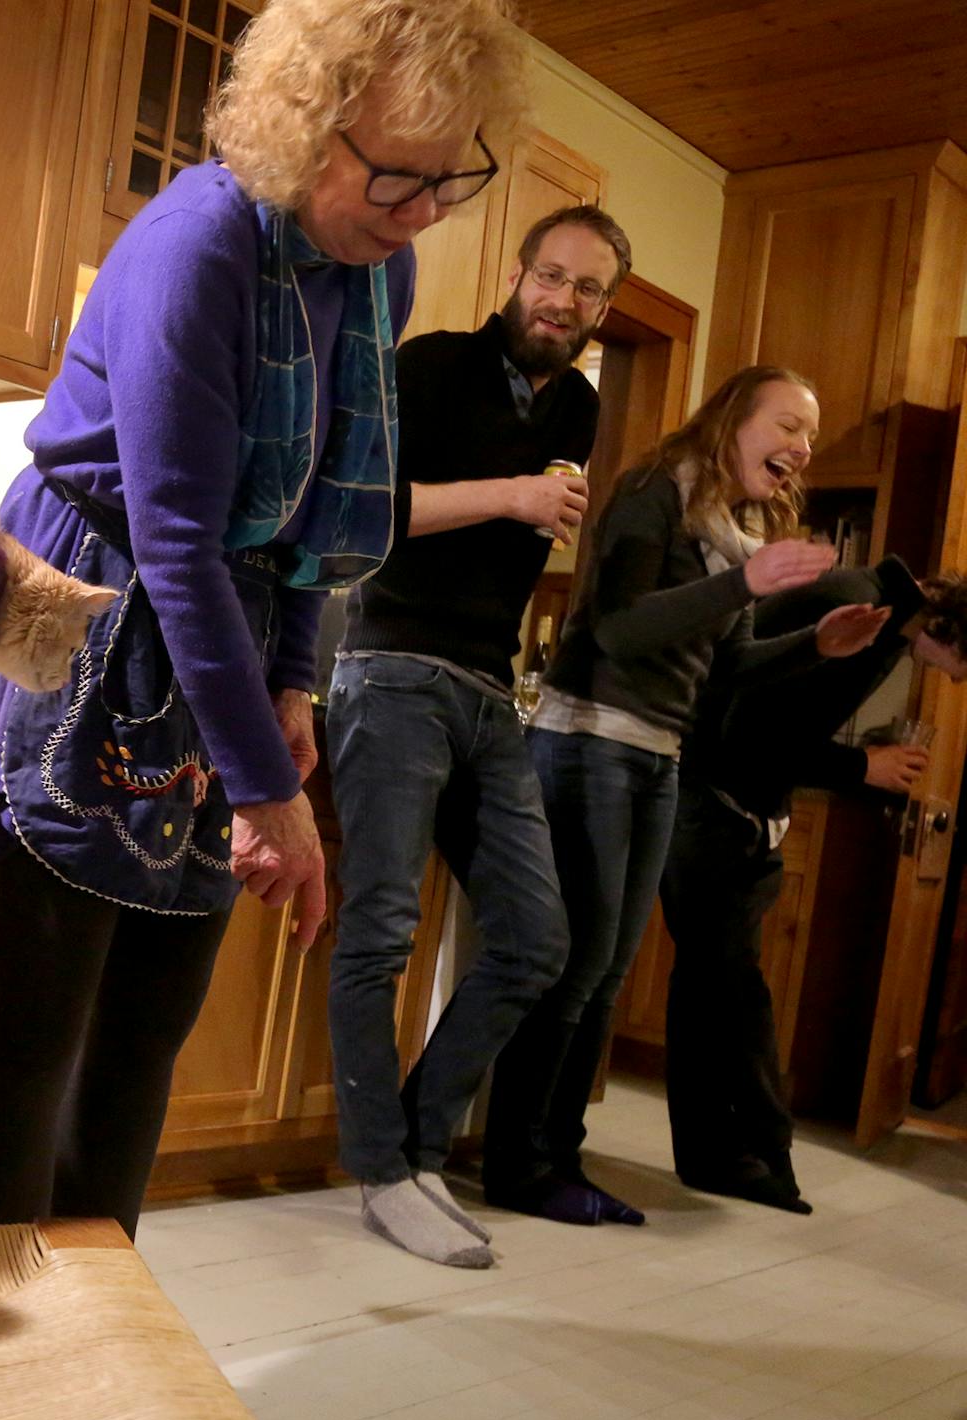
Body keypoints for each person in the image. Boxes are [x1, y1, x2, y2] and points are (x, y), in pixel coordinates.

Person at [0, 0, 530, 1240]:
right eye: (394, 174)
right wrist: (265, 791)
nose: (419, 213)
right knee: (35, 1034)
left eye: (447, 176)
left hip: (218, 630)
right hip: (86, 615)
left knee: (144, 1039)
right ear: (306, 127)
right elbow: (178, 537)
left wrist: (291, 686)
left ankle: (101, 1340)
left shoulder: (376, 265)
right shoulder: (196, 242)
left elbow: (319, 507)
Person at [481, 365, 891, 1227]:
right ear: (736, 416)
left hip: (658, 755)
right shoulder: (651, 493)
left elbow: (726, 671)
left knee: (607, 972)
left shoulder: (731, 528)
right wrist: (747, 584)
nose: (803, 448)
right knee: (576, 969)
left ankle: (559, 1155)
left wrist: (819, 642)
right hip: (589, 738)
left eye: (809, 436)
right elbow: (619, 630)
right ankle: (518, 1161)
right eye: (789, 425)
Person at [326, 204, 630, 1268]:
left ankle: (412, 1146)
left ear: (604, 306)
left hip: (488, 687)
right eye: (549, 275)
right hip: (390, 664)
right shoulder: (431, 366)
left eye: (587, 289)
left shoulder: (580, 404)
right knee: (378, 927)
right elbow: (369, 506)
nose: (563, 300)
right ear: (515, 273)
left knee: (537, 939)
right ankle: (380, 1168)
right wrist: (511, 492)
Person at [662, 557, 967, 1213]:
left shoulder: (888, 623)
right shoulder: (855, 604)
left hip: (738, 813)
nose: (953, 676)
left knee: (718, 989)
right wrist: (863, 765)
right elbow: (746, 728)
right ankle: (749, 1154)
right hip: (710, 804)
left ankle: (734, 1157)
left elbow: (781, 728)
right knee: (729, 990)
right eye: (963, 663)